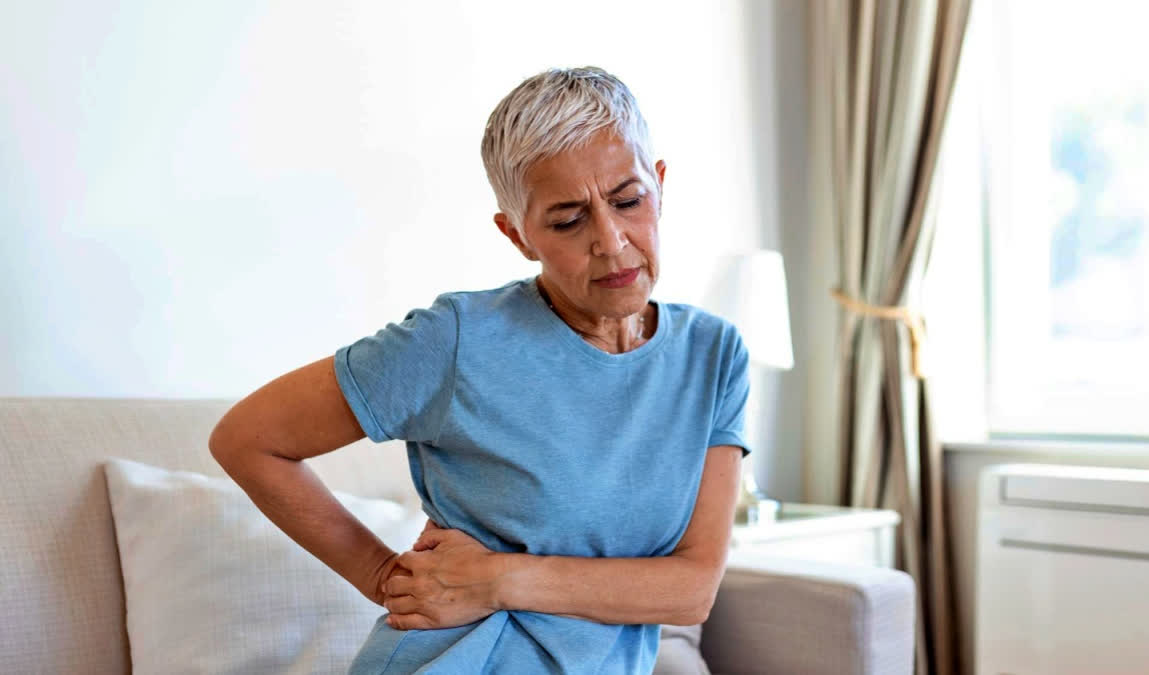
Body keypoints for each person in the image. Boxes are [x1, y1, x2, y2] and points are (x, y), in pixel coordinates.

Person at [209, 66, 751, 674]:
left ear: (659, 184)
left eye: (628, 200)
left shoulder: (714, 355)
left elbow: (691, 591)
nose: (611, 241)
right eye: (568, 220)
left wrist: (498, 578)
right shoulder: (457, 340)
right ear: (518, 234)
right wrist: (383, 575)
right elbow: (247, 439)